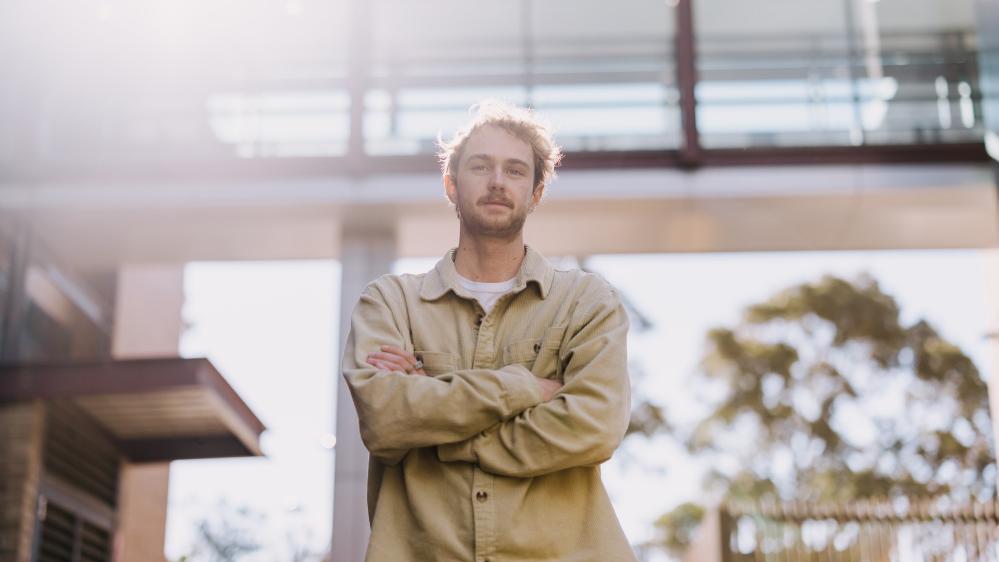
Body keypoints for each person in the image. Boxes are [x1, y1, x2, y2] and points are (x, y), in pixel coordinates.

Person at [342, 100, 636, 562]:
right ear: (451, 185)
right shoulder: (390, 303)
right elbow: (385, 420)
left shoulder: (585, 302)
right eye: (481, 166)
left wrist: (436, 414)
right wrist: (525, 387)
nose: (498, 181)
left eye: (516, 171)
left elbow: (594, 426)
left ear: (536, 193)